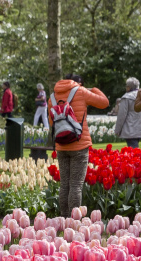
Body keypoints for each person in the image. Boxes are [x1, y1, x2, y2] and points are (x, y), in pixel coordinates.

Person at [53, 73, 109, 216]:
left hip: (61, 146)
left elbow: (52, 122)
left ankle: (64, 217)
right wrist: (94, 89)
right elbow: (104, 102)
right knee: (76, 185)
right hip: (79, 144)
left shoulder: (52, 97)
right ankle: (73, 219)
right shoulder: (81, 92)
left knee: (64, 184)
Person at [114, 77, 141, 148]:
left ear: (128, 87)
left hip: (130, 129)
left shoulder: (126, 97)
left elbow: (121, 115)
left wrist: (117, 130)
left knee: (133, 151)